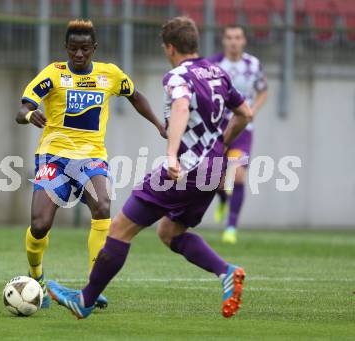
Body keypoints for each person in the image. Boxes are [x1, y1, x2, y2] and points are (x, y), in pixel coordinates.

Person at [46, 17, 252, 319]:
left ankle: (85, 300)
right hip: (214, 168)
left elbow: (181, 106)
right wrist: (221, 143)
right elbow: (244, 113)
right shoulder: (217, 72)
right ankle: (226, 272)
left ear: (170, 48)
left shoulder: (177, 76)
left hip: (185, 168)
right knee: (170, 230)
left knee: (119, 229)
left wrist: (172, 154)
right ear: (194, 42)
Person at [16, 19, 166, 309]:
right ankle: (37, 275)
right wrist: (27, 115)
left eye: (85, 49)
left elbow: (135, 96)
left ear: (94, 48)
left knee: (103, 206)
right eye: (73, 49)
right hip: (54, 157)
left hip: (92, 158)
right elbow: (23, 107)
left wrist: (159, 125)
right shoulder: (53, 74)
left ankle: (93, 285)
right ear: (66, 49)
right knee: (39, 224)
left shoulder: (109, 74)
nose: (79, 55)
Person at [208, 25, 268, 244]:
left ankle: (231, 227)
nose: (234, 41)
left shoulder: (253, 65)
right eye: (230, 37)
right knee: (215, 179)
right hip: (217, 128)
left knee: (238, 174)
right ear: (223, 41)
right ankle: (223, 198)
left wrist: (252, 112)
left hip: (242, 129)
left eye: (238, 37)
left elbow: (264, 90)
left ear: (244, 41)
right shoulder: (213, 65)